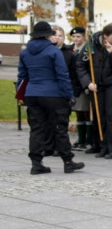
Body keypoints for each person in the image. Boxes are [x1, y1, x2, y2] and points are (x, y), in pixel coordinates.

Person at [17, 21, 84, 175]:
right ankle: (68, 162)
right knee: (60, 128)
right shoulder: (53, 51)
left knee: (36, 129)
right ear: (48, 35)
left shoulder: (25, 53)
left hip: (32, 93)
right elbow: (63, 75)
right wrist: (69, 95)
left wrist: (22, 95)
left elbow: (22, 76)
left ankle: (36, 163)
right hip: (53, 94)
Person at [78, 23, 112, 159]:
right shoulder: (91, 45)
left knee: (111, 115)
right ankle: (103, 146)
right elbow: (80, 65)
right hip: (96, 86)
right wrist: (88, 83)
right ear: (105, 36)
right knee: (99, 115)